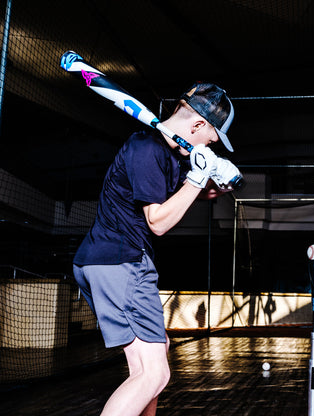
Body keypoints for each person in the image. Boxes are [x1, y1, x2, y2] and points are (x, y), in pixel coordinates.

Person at [72, 82, 239, 416]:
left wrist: (209, 184)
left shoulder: (167, 155)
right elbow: (159, 222)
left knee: (152, 360)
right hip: (122, 262)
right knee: (154, 373)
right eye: (210, 138)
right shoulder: (146, 149)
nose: (207, 145)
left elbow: (174, 197)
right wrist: (195, 180)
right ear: (197, 126)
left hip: (109, 261)